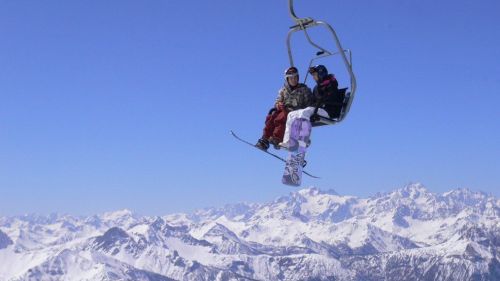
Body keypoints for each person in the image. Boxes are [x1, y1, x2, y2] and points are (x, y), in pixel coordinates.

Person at [279, 64, 343, 149]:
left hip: (328, 110)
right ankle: (288, 142)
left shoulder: (331, 84)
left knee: (305, 112)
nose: (313, 78)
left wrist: (320, 98)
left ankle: (303, 140)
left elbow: (329, 97)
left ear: (321, 74)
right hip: (318, 109)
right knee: (291, 114)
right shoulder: (318, 87)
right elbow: (313, 100)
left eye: (315, 75)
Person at [256, 67, 312, 151]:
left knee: (281, 117)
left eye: (295, 77)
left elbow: (309, 104)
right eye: (291, 78)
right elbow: (277, 101)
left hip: (296, 113)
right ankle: (265, 139)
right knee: (272, 116)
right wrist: (278, 104)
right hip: (283, 110)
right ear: (287, 79)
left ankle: (277, 138)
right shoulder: (283, 90)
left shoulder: (304, 90)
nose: (294, 80)